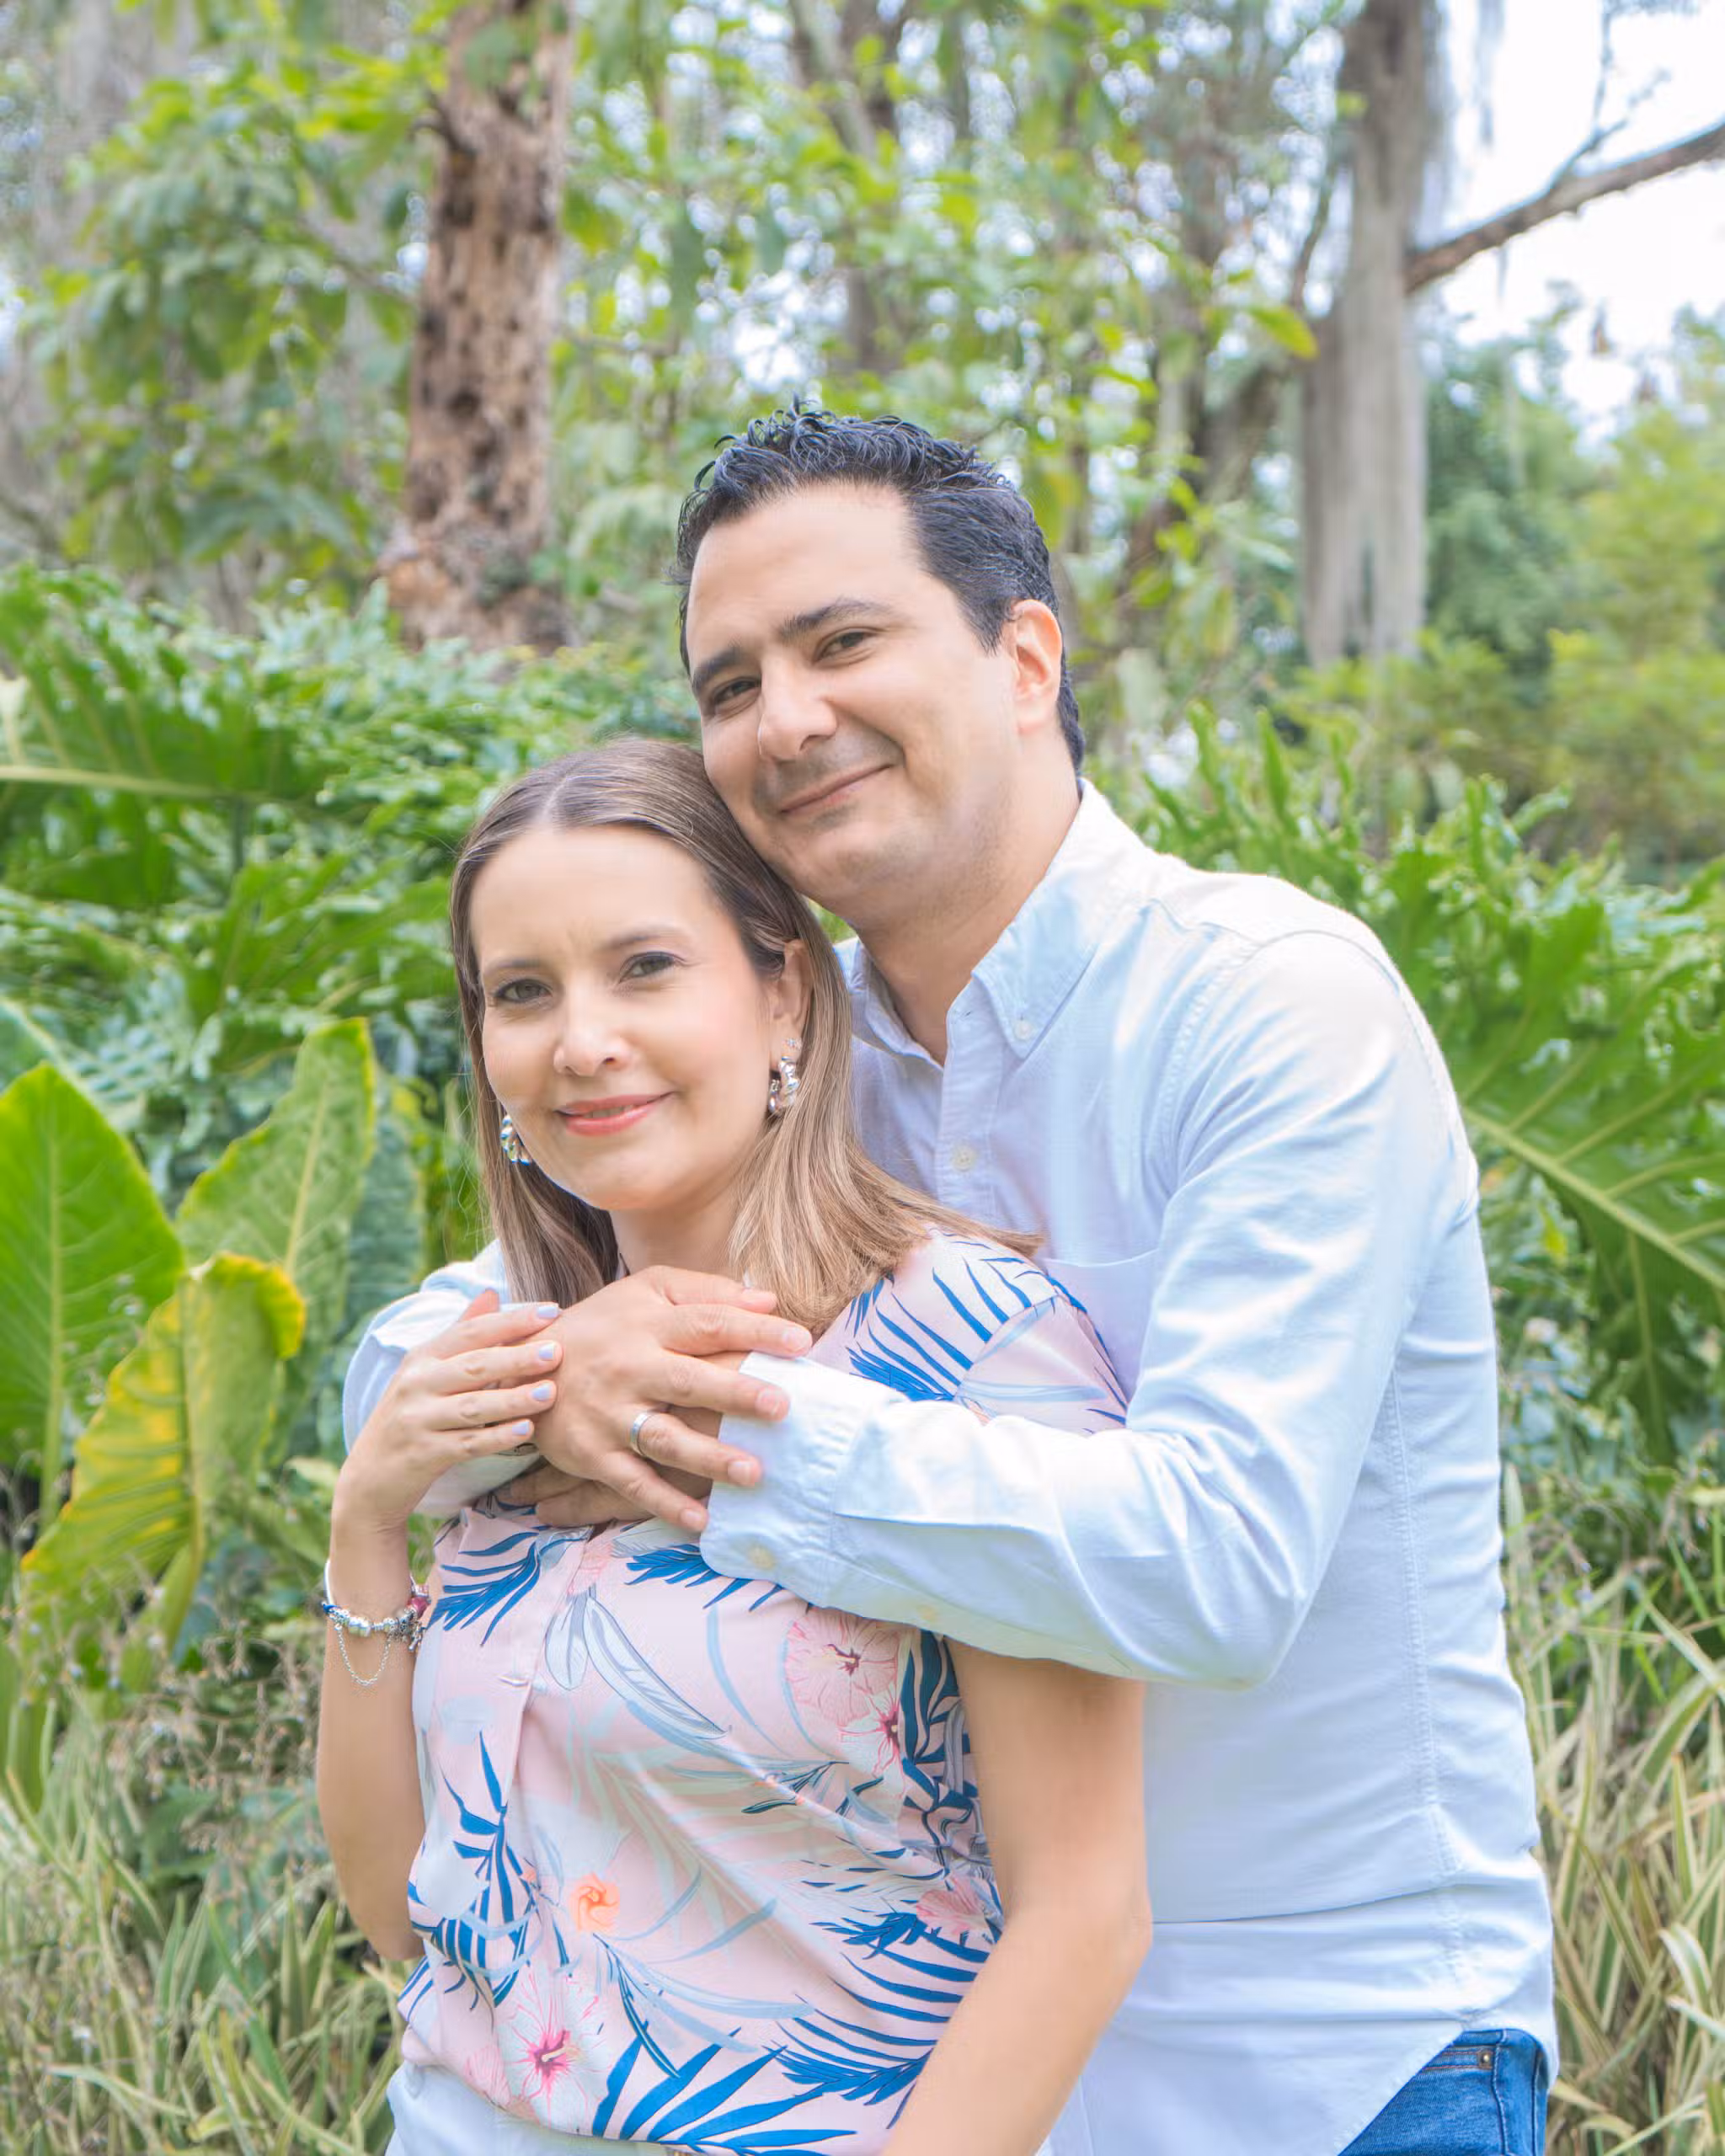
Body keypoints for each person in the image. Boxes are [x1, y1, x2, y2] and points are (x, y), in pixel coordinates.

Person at [347, 411, 1557, 2156]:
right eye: (730, 682)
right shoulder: (795, 1044)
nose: (786, 718)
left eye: (842, 641)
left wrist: (703, 1430)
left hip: (1326, 2050)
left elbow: (1216, 1561)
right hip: (935, 2054)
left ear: (1025, 657)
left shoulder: (1270, 1010)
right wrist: (555, 1376)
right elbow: (419, 1351)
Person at [319, 739, 1149, 2156]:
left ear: (785, 995)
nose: (581, 1041)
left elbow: (1086, 1913)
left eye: (644, 968)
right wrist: (369, 1518)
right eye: (522, 991)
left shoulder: (972, 1353)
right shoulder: (499, 1365)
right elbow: (397, 1907)